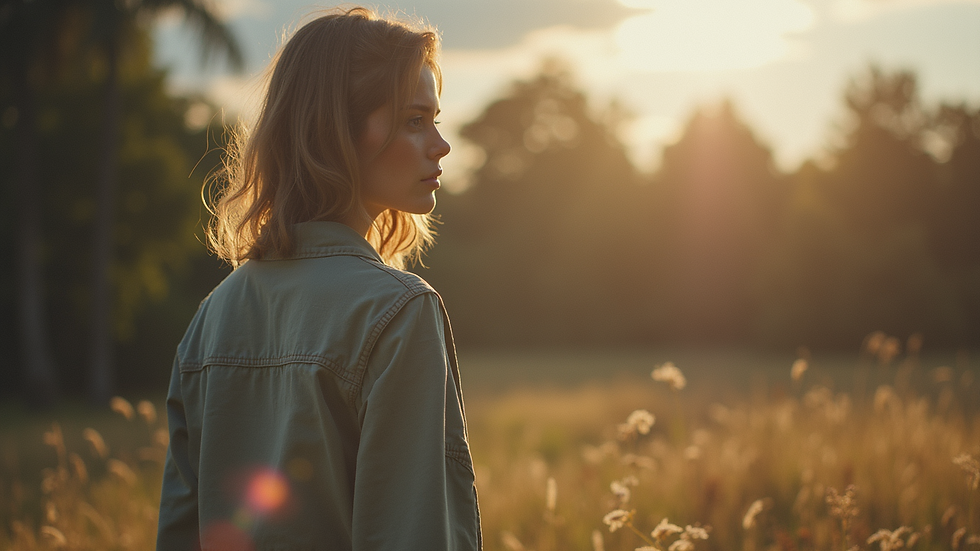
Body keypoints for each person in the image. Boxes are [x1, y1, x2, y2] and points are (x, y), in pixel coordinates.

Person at [156, 7, 481, 550]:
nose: (440, 145)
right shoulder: (399, 312)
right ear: (336, 132)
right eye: (414, 120)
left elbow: (180, 531)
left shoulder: (213, 315)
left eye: (435, 120)